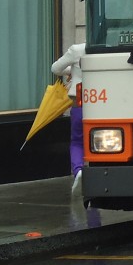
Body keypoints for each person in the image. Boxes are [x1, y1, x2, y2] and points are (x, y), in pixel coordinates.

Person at [51, 42, 86, 194]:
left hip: (79, 102)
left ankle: (78, 170)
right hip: (101, 101)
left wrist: (71, 70)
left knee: (77, 141)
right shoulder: (107, 48)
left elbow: (55, 68)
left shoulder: (77, 50)